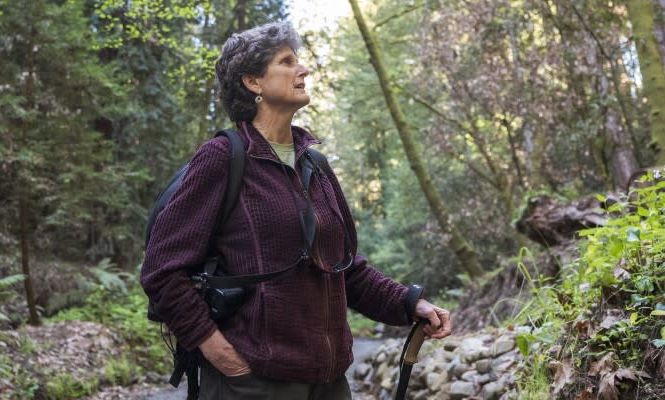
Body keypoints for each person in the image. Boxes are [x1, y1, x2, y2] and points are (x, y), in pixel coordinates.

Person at [140, 21, 452, 399]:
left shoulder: (314, 164)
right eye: (287, 62)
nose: (302, 69)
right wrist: (216, 348)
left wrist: (407, 302)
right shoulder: (222, 158)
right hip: (253, 383)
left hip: (329, 383)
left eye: (299, 61)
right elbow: (161, 270)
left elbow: (343, 268)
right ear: (252, 82)